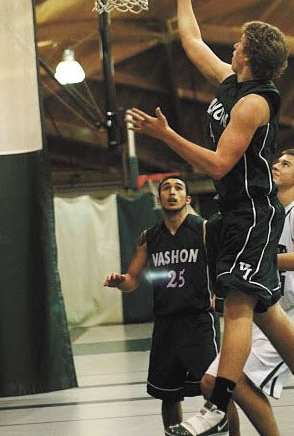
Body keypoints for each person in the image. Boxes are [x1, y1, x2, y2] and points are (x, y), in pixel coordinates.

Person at [126, 0, 294, 436]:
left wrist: (166, 136)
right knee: (265, 310)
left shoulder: (254, 102)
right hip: (236, 212)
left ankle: (217, 404)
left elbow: (220, 164)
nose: (234, 44)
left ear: (250, 55)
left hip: (252, 213)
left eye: (241, 42)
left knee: (237, 303)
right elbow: (191, 41)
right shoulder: (232, 82)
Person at [203, 149, 294, 436]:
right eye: (276, 161)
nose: (275, 166)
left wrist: (253, 259)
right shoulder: (266, 214)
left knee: (239, 382)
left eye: (285, 164)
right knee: (212, 382)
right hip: (267, 312)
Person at [103, 176, 222, 431]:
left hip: (198, 321)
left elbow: (222, 266)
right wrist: (120, 281)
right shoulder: (149, 237)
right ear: (158, 199)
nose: (171, 192)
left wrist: (220, 295)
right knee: (168, 393)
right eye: (166, 188)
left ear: (187, 199)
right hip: (166, 323)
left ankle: (232, 432)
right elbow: (133, 279)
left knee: (215, 390)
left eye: (178, 188)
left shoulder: (203, 228)